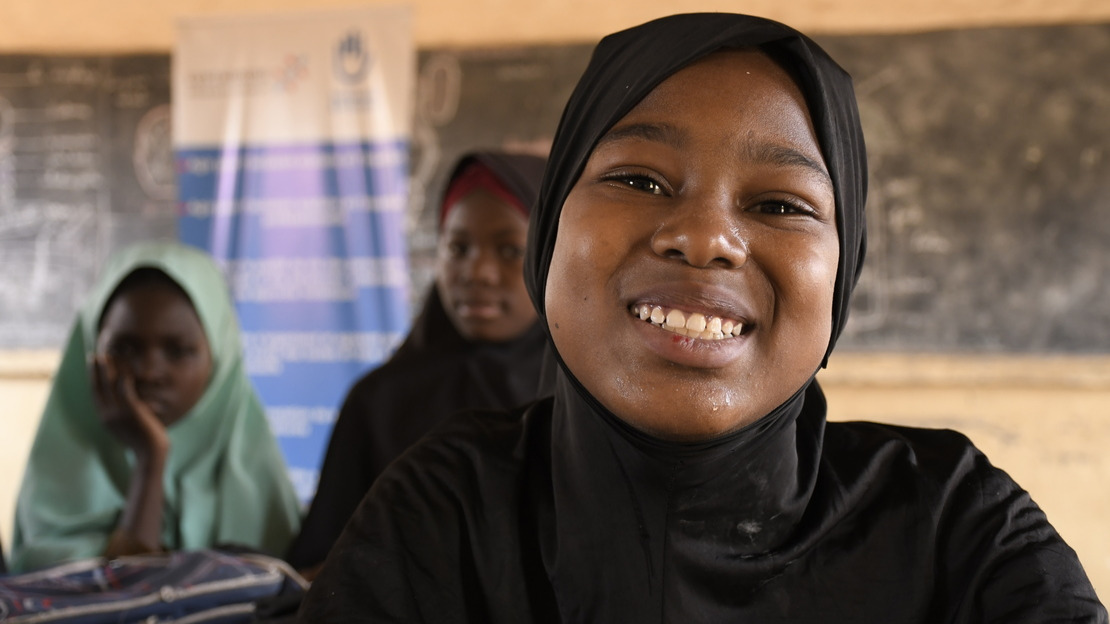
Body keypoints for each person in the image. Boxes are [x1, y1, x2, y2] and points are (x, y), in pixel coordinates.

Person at [297, 13, 1107, 622]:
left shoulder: (952, 528)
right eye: (640, 181)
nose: (705, 238)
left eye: (781, 203)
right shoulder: (446, 515)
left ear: (844, 268)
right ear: (551, 237)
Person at [285, 151, 552, 573]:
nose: (477, 272)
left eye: (509, 250)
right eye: (458, 247)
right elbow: (323, 568)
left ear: (551, 257)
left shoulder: (585, 401)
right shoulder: (379, 402)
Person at [10, 241, 301, 573]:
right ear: (90, 352)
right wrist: (150, 460)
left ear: (219, 361)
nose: (148, 372)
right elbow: (110, 599)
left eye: (178, 351)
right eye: (124, 348)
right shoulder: (57, 484)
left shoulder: (255, 476)